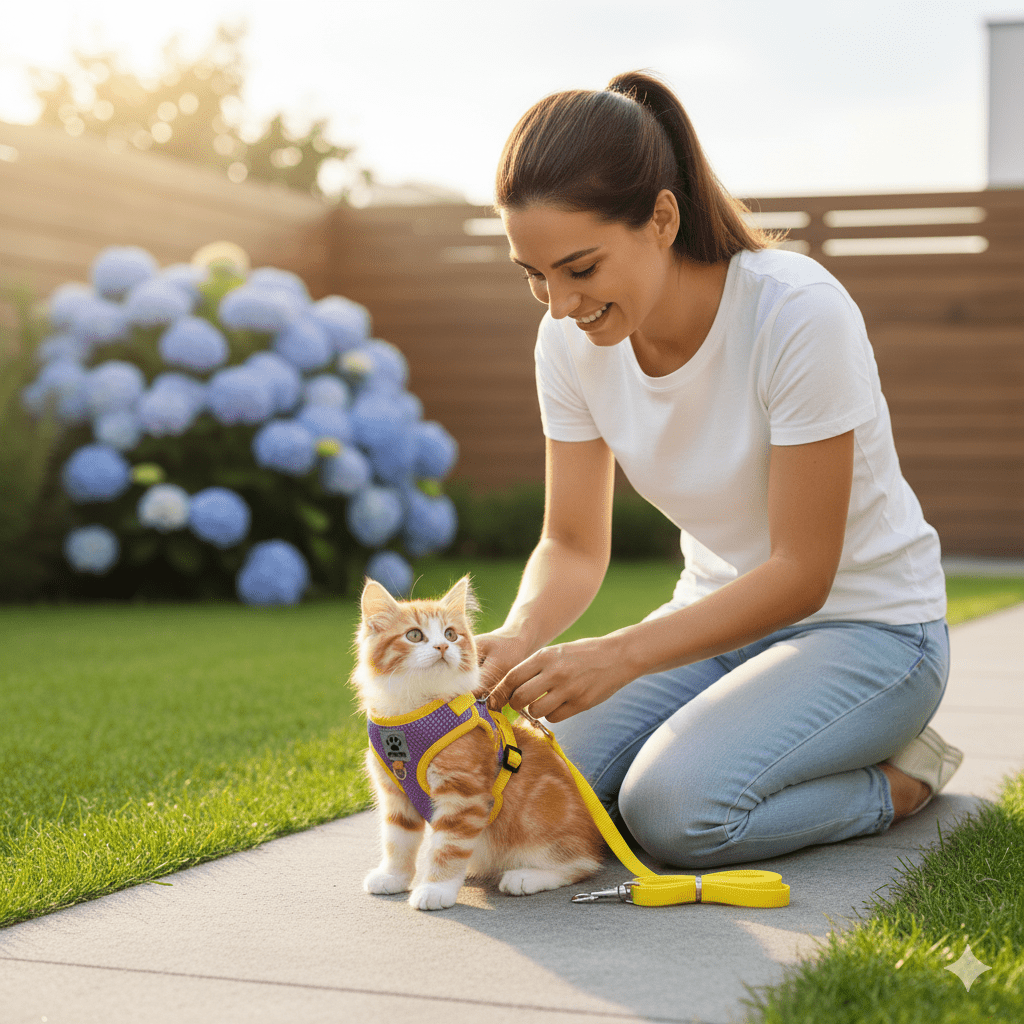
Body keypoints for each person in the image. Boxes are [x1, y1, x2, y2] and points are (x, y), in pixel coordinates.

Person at [476, 70, 963, 869]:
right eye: (533, 275)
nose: (558, 304)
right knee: (522, 805)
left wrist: (625, 652)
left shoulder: (796, 313)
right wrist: (521, 633)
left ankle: (900, 778)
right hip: (714, 625)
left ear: (661, 218)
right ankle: (752, 738)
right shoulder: (566, 342)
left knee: (672, 812)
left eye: (580, 268)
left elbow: (803, 572)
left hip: (871, 631)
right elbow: (570, 542)